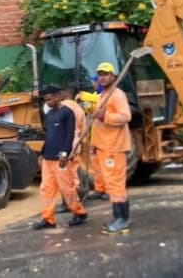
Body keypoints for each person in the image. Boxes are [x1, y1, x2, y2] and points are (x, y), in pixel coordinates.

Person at [32, 85, 88, 230]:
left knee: (67, 188)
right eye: (46, 100)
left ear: (58, 96)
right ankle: (48, 219)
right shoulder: (49, 115)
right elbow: (49, 136)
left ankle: (79, 212)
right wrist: (42, 154)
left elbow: (69, 136)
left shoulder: (67, 113)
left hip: (61, 159)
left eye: (50, 99)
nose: (48, 103)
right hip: (48, 158)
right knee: (46, 189)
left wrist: (64, 154)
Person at [91, 62, 132, 235]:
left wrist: (105, 115)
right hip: (104, 146)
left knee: (116, 183)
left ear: (113, 77)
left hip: (114, 147)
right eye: (100, 74)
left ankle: (122, 219)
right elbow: (96, 124)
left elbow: (125, 116)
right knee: (110, 183)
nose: (102, 77)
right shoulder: (103, 95)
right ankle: (118, 217)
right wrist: (94, 143)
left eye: (106, 74)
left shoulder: (117, 95)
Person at [76, 75, 109, 202]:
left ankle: (108, 190)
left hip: (105, 140)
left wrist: (83, 95)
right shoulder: (96, 96)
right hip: (95, 138)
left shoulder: (105, 97)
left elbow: (96, 101)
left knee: (105, 167)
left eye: (94, 81)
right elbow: (89, 107)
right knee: (96, 167)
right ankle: (100, 189)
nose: (94, 83)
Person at [55, 85, 87, 213]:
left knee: (64, 175)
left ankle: (68, 203)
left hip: (65, 144)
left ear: (66, 93)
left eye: (61, 92)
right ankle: (76, 198)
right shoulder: (79, 109)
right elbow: (84, 131)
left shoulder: (63, 107)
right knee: (73, 173)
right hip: (76, 144)